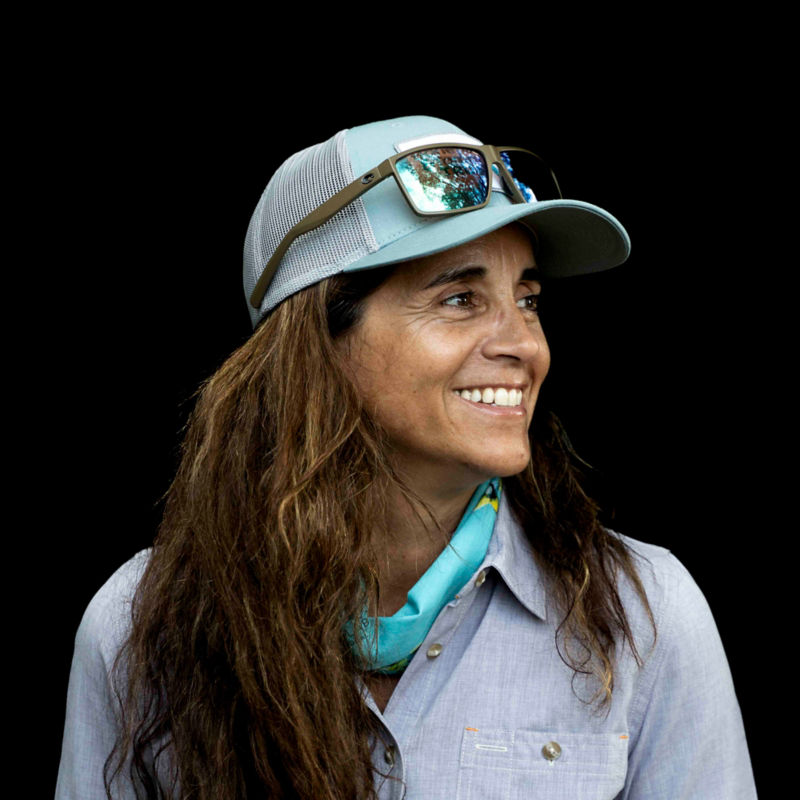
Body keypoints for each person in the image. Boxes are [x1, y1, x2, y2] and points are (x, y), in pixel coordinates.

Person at [56, 115, 757, 799]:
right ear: (317, 344)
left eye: (528, 300)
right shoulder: (138, 628)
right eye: (459, 297)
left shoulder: (647, 615)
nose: (525, 345)